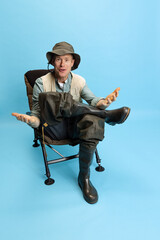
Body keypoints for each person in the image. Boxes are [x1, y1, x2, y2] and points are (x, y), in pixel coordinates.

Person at [12, 41, 130, 204]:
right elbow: (37, 111)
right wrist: (33, 120)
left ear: (73, 63)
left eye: (66, 59)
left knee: (93, 120)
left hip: (75, 127)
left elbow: (92, 99)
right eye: (58, 59)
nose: (62, 64)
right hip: (53, 127)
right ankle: (106, 116)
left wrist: (105, 102)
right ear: (53, 62)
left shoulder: (79, 81)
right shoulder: (41, 82)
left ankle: (84, 179)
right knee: (58, 100)